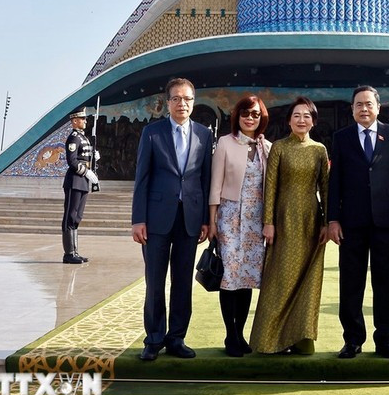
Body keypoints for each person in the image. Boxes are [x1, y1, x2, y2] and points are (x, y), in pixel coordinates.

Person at [131, 77, 213, 361]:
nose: (182, 104)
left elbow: (205, 179)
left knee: (182, 281)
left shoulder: (204, 135)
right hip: (155, 220)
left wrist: (205, 219)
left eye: (188, 98)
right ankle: (153, 339)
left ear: (194, 101)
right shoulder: (152, 133)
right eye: (176, 98)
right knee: (155, 280)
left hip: (189, 219)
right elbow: (141, 179)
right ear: (168, 103)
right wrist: (138, 219)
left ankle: (176, 337)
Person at [327, 85, 389, 360]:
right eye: (358, 104)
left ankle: (384, 338)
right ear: (352, 110)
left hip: (386, 220)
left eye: (368, 104)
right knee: (351, 282)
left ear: (378, 107)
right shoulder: (341, 138)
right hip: (351, 222)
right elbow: (334, 182)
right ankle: (352, 339)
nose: (364, 109)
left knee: (386, 282)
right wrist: (333, 219)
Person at [249, 96, 328, 355]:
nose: (301, 120)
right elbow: (269, 188)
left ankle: (301, 337)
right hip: (283, 221)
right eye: (297, 115)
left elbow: (325, 189)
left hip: (311, 223)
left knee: (308, 279)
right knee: (279, 279)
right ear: (289, 120)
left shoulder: (319, 150)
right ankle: (269, 340)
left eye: (307, 116)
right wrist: (268, 222)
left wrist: (327, 222)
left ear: (313, 121)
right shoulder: (279, 148)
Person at [209, 94, 271, 356]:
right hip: (230, 219)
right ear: (237, 116)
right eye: (245, 113)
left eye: (255, 114)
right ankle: (230, 335)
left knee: (247, 279)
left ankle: (241, 333)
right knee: (229, 278)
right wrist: (212, 221)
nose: (250, 118)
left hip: (255, 222)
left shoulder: (266, 147)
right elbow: (216, 183)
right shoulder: (225, 143)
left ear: (262, 118)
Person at [61, 108, 98, 265]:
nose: (85, 121)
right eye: (82, 119)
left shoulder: (84, 138)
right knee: (70, 216)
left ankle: (75, 251)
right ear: (75, 121)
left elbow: (84, 157)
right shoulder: (74, 138)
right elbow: (72, 161)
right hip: (75, 180)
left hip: (82, 182)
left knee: (77, 217)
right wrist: (86, 172)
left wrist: (94, 156)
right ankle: (68, 253)